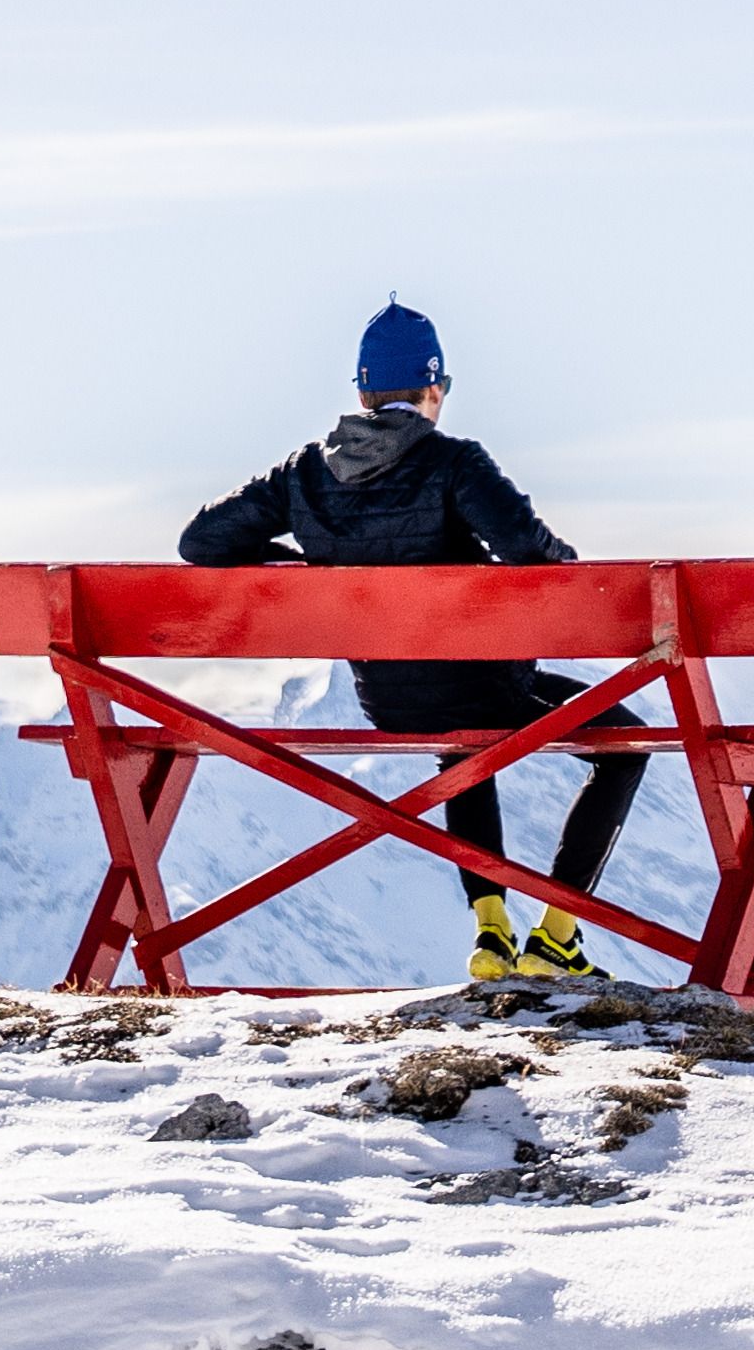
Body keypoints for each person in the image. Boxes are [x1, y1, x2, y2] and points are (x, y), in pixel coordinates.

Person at [178, 299, 642, 983]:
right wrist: (560, 558)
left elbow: (201, 541)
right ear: (433, 391)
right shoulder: (453, 463)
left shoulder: (305, 472)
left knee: (462, 742)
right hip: (482, 683)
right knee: (622, 747)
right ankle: (556, 936)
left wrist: (307, 563)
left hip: (390, 701)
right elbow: (527, 551)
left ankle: (491, 933)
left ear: (363, 392)